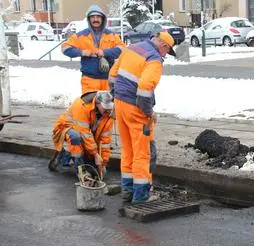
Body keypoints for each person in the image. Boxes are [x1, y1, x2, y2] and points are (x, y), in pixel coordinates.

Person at [109, 31, 176, 203]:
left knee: (128, 149)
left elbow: (112, 75)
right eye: (167, 52)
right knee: (142, 153)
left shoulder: (133, 48)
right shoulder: (154, 59)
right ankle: (141, 195)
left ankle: (128, 190)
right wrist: (148, 112)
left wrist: (117, 96)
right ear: (164, 46)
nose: (165, 55)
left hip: (120, 103)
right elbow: (145, 89)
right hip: (135, 108)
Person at [49, 91, 115, 178]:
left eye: (110, 108)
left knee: (95, 167)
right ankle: (80, 170)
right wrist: (95, 155)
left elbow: (105, 141)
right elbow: (84, 133)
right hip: (65, 128)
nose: (108, 111)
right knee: (76, 137)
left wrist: (103, 162)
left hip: (83, 133)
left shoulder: (108, 114)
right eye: (105, 108)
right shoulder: (81, 105)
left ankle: (64, 157)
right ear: (97, 103)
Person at [62, 4, 125, 94]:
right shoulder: (81, 35)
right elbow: (65, 48)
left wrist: (105, 52)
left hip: (108, 80)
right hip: (89, 80)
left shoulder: (112, 35)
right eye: (93, 17)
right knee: (89, 106)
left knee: (108, 107)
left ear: (103, 19)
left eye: (98, 17)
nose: (95, 19)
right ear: (89, 19)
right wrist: (81, 52)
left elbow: (123, 49)